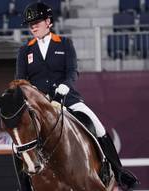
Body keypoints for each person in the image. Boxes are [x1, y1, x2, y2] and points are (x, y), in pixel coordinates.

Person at [16, 2, 139, 190]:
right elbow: (20, 81)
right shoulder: (25, 51)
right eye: (30, 23)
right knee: (18, 144)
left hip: (68, 99)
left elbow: (72, 71)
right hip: (39, 107)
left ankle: (120, 172)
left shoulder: (64, 44)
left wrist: (66, 86)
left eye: (37, 21)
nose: (33, 26)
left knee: (97, 126)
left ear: (48, 22)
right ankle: (24, 185)